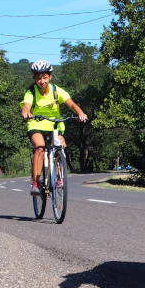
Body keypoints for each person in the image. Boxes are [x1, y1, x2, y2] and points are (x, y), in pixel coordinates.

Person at [20, 60, 88, 194]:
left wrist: (80, 113)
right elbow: (26, 106)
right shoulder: (31, 92)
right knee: (39, 147)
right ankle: (35, 182)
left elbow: (72, 104)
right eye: (38, 78)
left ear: (50, 77)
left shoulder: (57, 91)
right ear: (34, 78)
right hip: (36, 124)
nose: (42, 81)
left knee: (61, 145)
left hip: (55, 124)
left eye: (45, 77)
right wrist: (26, 113)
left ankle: (58, 176)